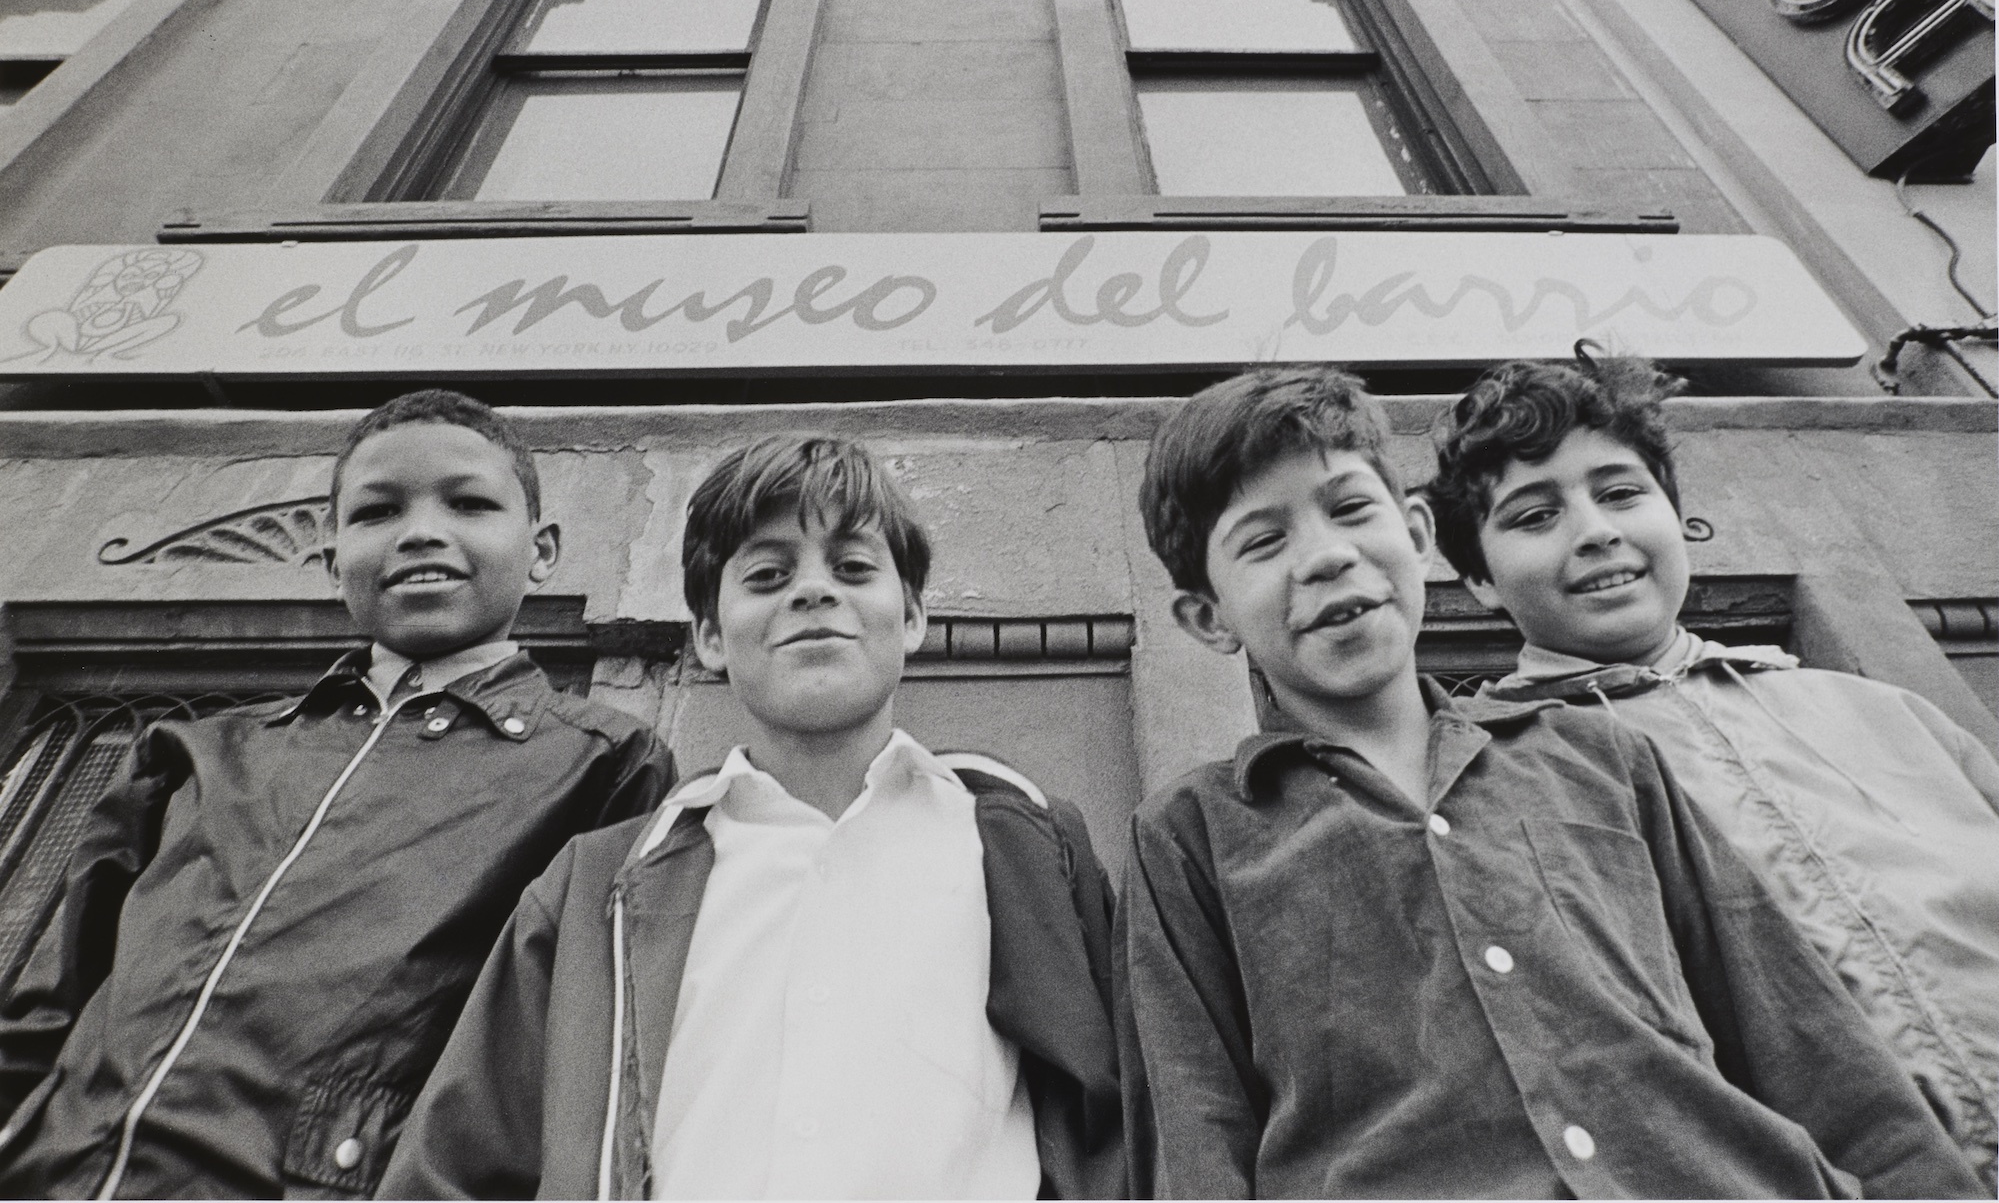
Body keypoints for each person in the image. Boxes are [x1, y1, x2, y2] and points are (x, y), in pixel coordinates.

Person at [1116, 364, 1982, 1199]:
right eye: (1264, 543)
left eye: (1349, 509)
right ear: (1206, 617)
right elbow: (1193, 1131)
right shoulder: (1191, 835)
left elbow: (1806, 1041)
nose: (1325, 557)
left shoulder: (1598, 756)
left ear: (1416, 537)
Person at [380, 434, 1121, 1200]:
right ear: (708, 636)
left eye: (853, 568)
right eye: (767, 576)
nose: (812, 592)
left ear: (911, 617)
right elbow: (454, 1168)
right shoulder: (596, 890)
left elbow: (1113, 1125)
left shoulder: (1024, 845)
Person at [0, 389, 672, 1198]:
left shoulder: (603, 763)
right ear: (329, 556)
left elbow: (578, 1063)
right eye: (377, 511)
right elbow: (50, 995)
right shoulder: (200, 749)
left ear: (543, 550)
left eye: (469, 503)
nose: (422, 530)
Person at [1426, 353, 1999, 1191]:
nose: (1594, 531)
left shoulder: (1887, 714)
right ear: (1477, 580)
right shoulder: (1496, 781)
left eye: (1621, 493)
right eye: (1534, 514)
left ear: (1675, 514)